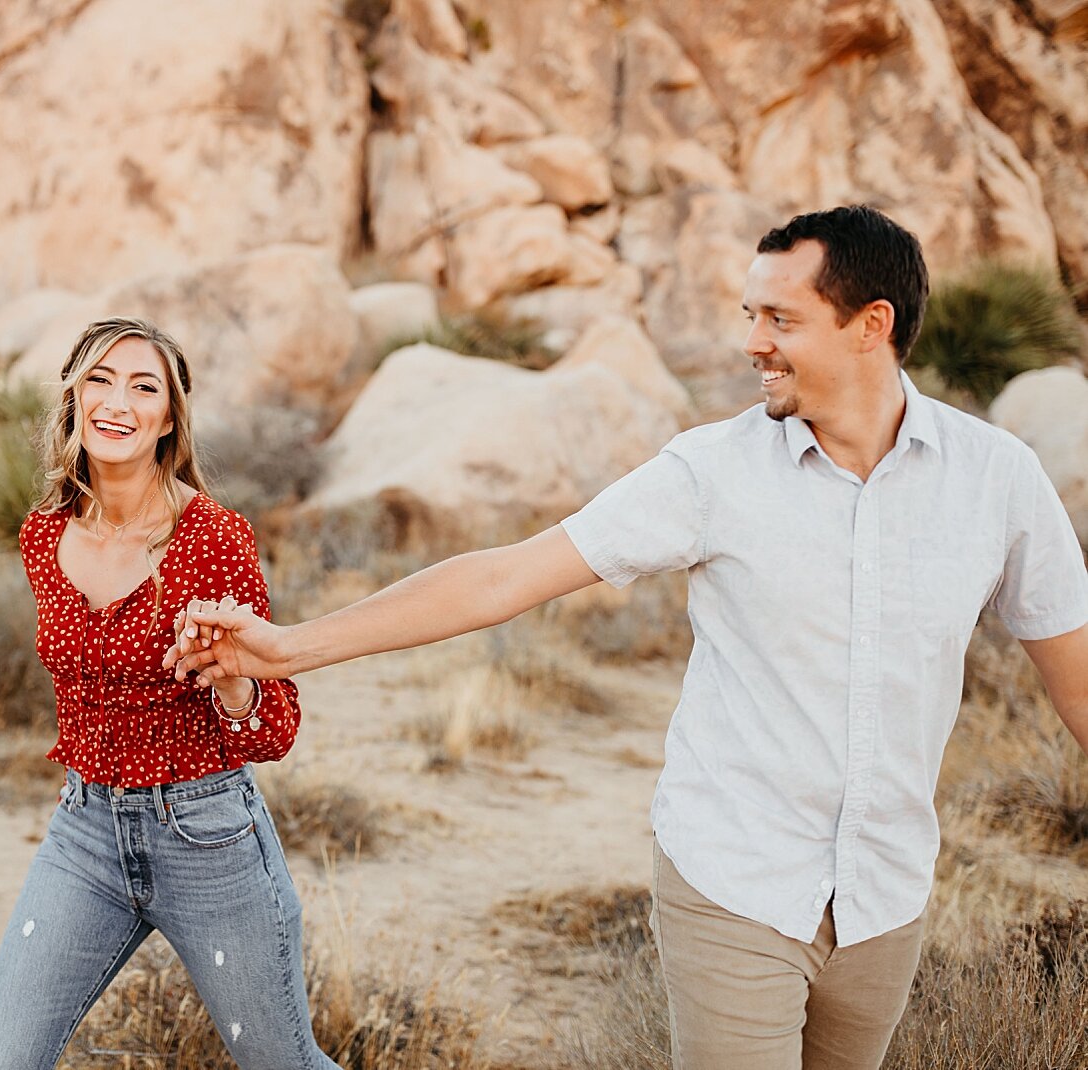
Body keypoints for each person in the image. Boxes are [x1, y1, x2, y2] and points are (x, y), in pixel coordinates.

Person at [167, 206, 1088, 1070]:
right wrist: (289, 649)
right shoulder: (712, 471)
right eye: (748, 314)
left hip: (887, 897)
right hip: (737, 883)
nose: (751, 342)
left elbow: (1075, 677)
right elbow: (504, 578)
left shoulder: (996, 480)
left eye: (779, 318)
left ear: (870, 324)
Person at [0, 318, 341, 1070]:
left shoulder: (213, 539)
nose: (118, 401)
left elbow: (273, 731)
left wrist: (235, 685)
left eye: (145, 387)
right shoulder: (42, 536)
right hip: (85, 832)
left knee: (284, 1065)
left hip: (207, 835)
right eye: (101, 379)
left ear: (169, 418)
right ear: (73, 398)